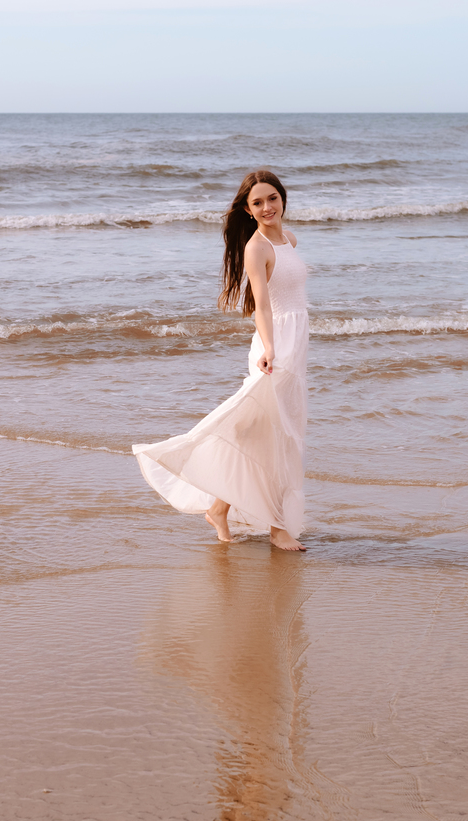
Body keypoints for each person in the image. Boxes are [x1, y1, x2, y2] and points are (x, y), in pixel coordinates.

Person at [133, 170, 308, 551]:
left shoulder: (290, 239)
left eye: (272, 198)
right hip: (273, 347)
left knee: (267, 434)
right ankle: (276, 528)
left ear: (283, 198)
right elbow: (261, 305)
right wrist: (269, 347)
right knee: (275, 438)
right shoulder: (256, 248)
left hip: (297, 345)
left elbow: (293, 299)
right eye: (257, 202)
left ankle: (218, 507)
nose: (267, 207)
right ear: (247, 210)